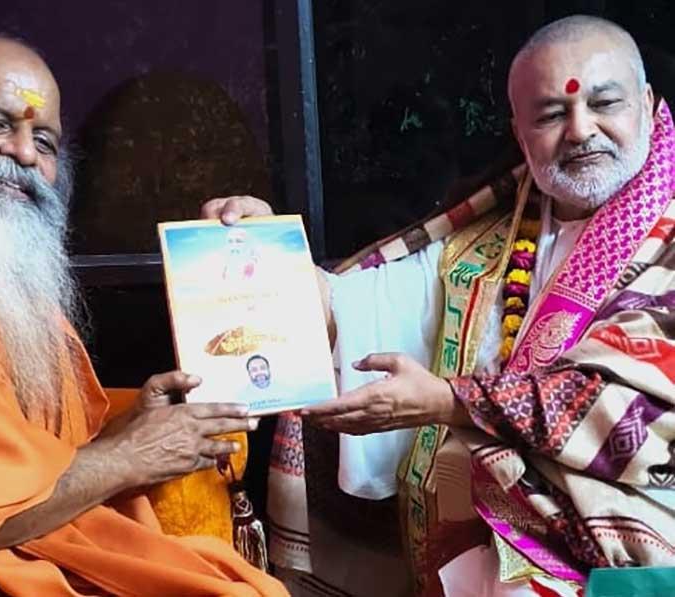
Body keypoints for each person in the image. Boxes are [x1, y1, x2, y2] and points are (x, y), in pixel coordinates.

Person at [203, 15, 675, 597]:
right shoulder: (488, 245)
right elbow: (357, 310)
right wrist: (261, 256)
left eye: (605, 103)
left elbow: (640, 409)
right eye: (552, 114)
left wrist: (451, 401)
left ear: (649, 103)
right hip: (490, 549)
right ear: (520, 133)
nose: (581, 130)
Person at [0, 35, 288, 596]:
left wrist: (127, 428)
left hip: (37, 545)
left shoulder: (3, 278)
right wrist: (126, 455)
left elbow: (36, 451)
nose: (24, 154)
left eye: (43, 140)